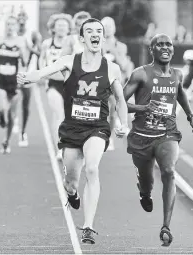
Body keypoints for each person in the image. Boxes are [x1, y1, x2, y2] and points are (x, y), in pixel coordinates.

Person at [17, 18, 128, 244]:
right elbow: (45, 71)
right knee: (71, 181)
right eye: (89, 31)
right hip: (72, 128)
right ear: (81, 38)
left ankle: (88, 226)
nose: (95, 35)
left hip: (97, 128)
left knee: (93, 168)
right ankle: (72, 193)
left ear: (103, 38)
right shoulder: (69, 61)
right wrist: (29, 77)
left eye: (99, 31)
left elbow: (120, 99)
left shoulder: (112, 68)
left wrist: (122, 124)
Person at [123, 34, 193, 246]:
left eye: (169, 44)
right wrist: (142, 108)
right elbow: (119, 102)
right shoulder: (140, 74)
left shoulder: (177, 74)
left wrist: (190, 117)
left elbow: (180, 94)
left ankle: (166, 225)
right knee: (147, 181)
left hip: (167, 133)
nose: (165, 47)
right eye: (160, 44)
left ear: (173, 50)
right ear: (152, 50)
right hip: (142, 136)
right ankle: (144, 190)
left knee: (168, 171)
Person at [0, 16, 27, 153]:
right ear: (5, 26)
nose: (10, 27)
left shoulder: (20, 42)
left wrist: (23, 51)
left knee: (12, 115)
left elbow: (25, 62)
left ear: (16, 27)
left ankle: (6, 141)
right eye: (8, 24)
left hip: (14, 83)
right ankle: (1, 117)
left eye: (13, 25)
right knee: (1, 106)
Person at [38, 13, 73, 160]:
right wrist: (42, 74)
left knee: (69, 117)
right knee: (59, 114)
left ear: (68, 28)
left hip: (70, 84)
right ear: (53, 27)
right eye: (58, 25)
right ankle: (60, 148)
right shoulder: (47, 43)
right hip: (53, 83)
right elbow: (41, 60)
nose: (61, 28)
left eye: (64, 26)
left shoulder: (72, 43)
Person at [101, 16, 134, 150]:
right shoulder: (96, 43)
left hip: (113, 84)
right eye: (105, 26)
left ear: (114, 28)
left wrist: (113, 49)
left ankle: (108, 137)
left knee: (112, 112)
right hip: (98, 83)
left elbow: (124, 65)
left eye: (110, 26)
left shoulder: (120, 46)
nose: (108, 29)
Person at [15, 6, 42, 147]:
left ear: (26, 20)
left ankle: (23, 132)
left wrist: (30, 48)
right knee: (12, 101)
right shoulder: (12, 33)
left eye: (23, 18)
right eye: (18, 18)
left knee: (25, 104)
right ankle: (13, 119)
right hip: (13, 73)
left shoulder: (33, 34)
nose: (21, 21)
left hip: (27, 73)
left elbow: (40, 54)